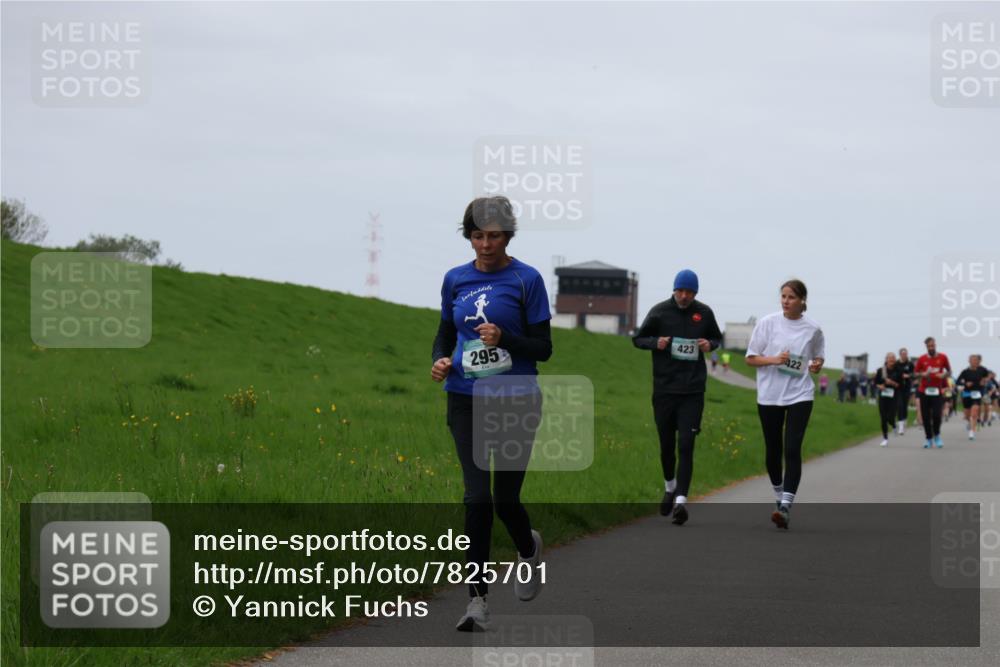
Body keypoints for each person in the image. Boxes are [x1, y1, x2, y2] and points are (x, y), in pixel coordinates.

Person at [430, 196, 552, 631]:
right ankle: (477, 601)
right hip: (465, 396)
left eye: (494, 236)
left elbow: (544, 349)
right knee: (477, 498)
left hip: (516, 396)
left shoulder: (526, 280)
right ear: (468, 236)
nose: (485, 245)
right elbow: (445, 333)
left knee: (505, 500)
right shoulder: (455, 279)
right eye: (478, 236)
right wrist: (440, 360)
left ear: (508, 236)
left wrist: (505, 338)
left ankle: (528, 549)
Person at [633, 269, 723, 526]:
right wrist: (656, 343)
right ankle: (670, 487)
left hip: (692, 390)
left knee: (686, 443)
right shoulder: (659, 312)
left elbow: (716, 337)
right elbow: (638, 339)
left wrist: (710, 345)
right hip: (664, 389)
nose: (684, 296)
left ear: (695, 293)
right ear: (674, 290)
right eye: (680, 291)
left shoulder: (704, 313)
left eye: (689, 292)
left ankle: (681, 502)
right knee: (666, 445)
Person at [745, 279, 825, 530]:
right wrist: (774, 360)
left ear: (802, 300)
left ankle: (786, 506)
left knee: (792, 448)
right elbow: (750, 358)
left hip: (800, 394)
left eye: (791, 297)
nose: (786, 301)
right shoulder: (767, 323)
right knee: (773, 450)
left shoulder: (813, 329)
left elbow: (818, 356)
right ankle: (779, 497)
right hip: (770, 395)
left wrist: (817, 364)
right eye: (783, 296)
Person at [914, 336, 952, 449]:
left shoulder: (943, 357)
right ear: (926, 347)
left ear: (935, 345)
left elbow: (949, 371)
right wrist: (923, 374)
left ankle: (937, 436)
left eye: (933, 345)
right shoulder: (922, 359)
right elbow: (915, 373)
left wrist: (944, 375)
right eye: (929, 346)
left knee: (936, 415)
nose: (931, 347)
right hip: (924, 391)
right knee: (925, 416)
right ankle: (928, 438)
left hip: (937, 391)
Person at [957, 354, 991, 441]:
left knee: (974, 412)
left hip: (977, 393)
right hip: (967, 394)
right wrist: (965, 383)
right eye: (973, 360)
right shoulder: (965, 372)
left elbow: (988, 376)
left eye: (976, 360)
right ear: (969, 361)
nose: (975, 362)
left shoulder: (982, 370)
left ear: (978, 361)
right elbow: (958, 382)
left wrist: (984, 380)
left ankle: (972, 431)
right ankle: (970, 422)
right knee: (967, 415)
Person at [873, 352, 904, 447]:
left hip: (894, 396)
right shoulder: (881, 370)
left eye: (893, 358)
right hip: (883, 396)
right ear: (886, 359)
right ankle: (885, 438)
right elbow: (875, 383)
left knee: (890, 417)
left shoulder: (899, 370)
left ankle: (894, 425)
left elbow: (901, 385)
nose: (892, 360)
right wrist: (880, 386)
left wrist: (893, 383)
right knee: (883, 418)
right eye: (890, 358)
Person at [896, 348, 914, 435]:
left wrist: (908, 375)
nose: (904, 355)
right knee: (899, 405)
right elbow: (893, 373)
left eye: (906, 354)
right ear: (900, 355)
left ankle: (904, 419)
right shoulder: (896, 363)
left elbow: (914, 374)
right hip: (898, 387)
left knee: (904, 405)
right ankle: (900, 426)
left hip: (907, 387)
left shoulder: (910, 364)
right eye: (903, 354)